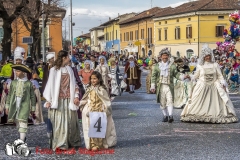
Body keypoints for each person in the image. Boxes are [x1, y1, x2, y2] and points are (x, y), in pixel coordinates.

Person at [181, 44, 238, 123]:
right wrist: (189, 77)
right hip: (202, 85)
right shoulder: (200, 66)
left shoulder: (215, 65)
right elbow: (196, 76)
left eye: (209, 55)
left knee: (217, 103)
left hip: (214, 85)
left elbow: (220, 76)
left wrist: (223, 84)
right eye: (206, 56)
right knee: (196, 102)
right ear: (203, 57)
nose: (208, 57)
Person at [43, 50, 81, 151]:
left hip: (69, 99)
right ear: (64, 57)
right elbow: (50, 85)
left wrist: (76, 96)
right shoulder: (54, 70)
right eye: (68, 57)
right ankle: (60, 143)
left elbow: (74, 84)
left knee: (70, 121)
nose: (69, 58)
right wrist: (49, 100)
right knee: (59, 122)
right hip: (58, 100)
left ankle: (71, 141)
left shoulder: (69, 69)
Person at [80, 71, 117, 151]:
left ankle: (99, 144)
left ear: (99, 79)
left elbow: (106, 101)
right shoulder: (89, 89)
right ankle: (93, 144)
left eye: (95, 79)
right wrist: (82, 105)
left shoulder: (102, 89)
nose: (93, 80)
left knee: (99, 127)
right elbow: (85, 98)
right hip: (91, 110)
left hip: (99, 110)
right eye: (92, 79)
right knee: (91, 127)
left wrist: (105, 108)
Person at [150, 48, 189, 123]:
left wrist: (183, 76)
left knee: (170, 100)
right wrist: (152, 86)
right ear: (161, 57)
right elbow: (153, 76)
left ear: (168, 57)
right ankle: (165, 116)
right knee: (162, 102)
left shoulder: (172, 66)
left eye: (166, 56)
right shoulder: (157, 66)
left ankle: (171, 116)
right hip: (160, 87)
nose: (165, 58)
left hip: (169, 86)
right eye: (163, 57)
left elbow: (176, 74)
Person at [5, 64, 36, 142]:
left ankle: (21, 140)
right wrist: (7, 106)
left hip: (24, 105)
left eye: (18, 71)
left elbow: (32, 96)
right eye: (15, 71)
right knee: (18, 122)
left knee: (23, 121)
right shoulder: (14, 82)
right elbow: (10, 95)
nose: (16, 73)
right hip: (14, 104)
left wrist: (33, 108)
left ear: (23, 73)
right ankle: (22, 137)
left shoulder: (28, 83)